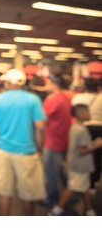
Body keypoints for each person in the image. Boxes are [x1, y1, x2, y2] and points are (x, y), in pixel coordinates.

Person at [0, 69, 46, 216]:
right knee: (28, 193)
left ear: (7, 82)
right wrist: (40, 148)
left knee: (4, 192)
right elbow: (40, 127)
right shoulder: (33, 100)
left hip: (3, 150)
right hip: (27, 151)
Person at [49, 104, 102, 216]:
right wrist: (96, 145)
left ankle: (89, 210)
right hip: (80, 165)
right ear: (80, 114)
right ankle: (57, 210)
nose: (89, 114)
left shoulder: (75, 127)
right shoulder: (81, 130)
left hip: (77, 163)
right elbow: (83, 150)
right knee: (73, 188)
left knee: (84, 188)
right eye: (87, 112)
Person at [42, 74, 72, 207]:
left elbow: (41, 120)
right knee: (59, 170)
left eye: (48, 83)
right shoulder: (66, 98)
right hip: (63, 139)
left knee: (51, 172)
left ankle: (52, 198)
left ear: (54, 84)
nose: (46, 85)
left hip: (53, 141)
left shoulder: (52, 100)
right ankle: (71, 192)